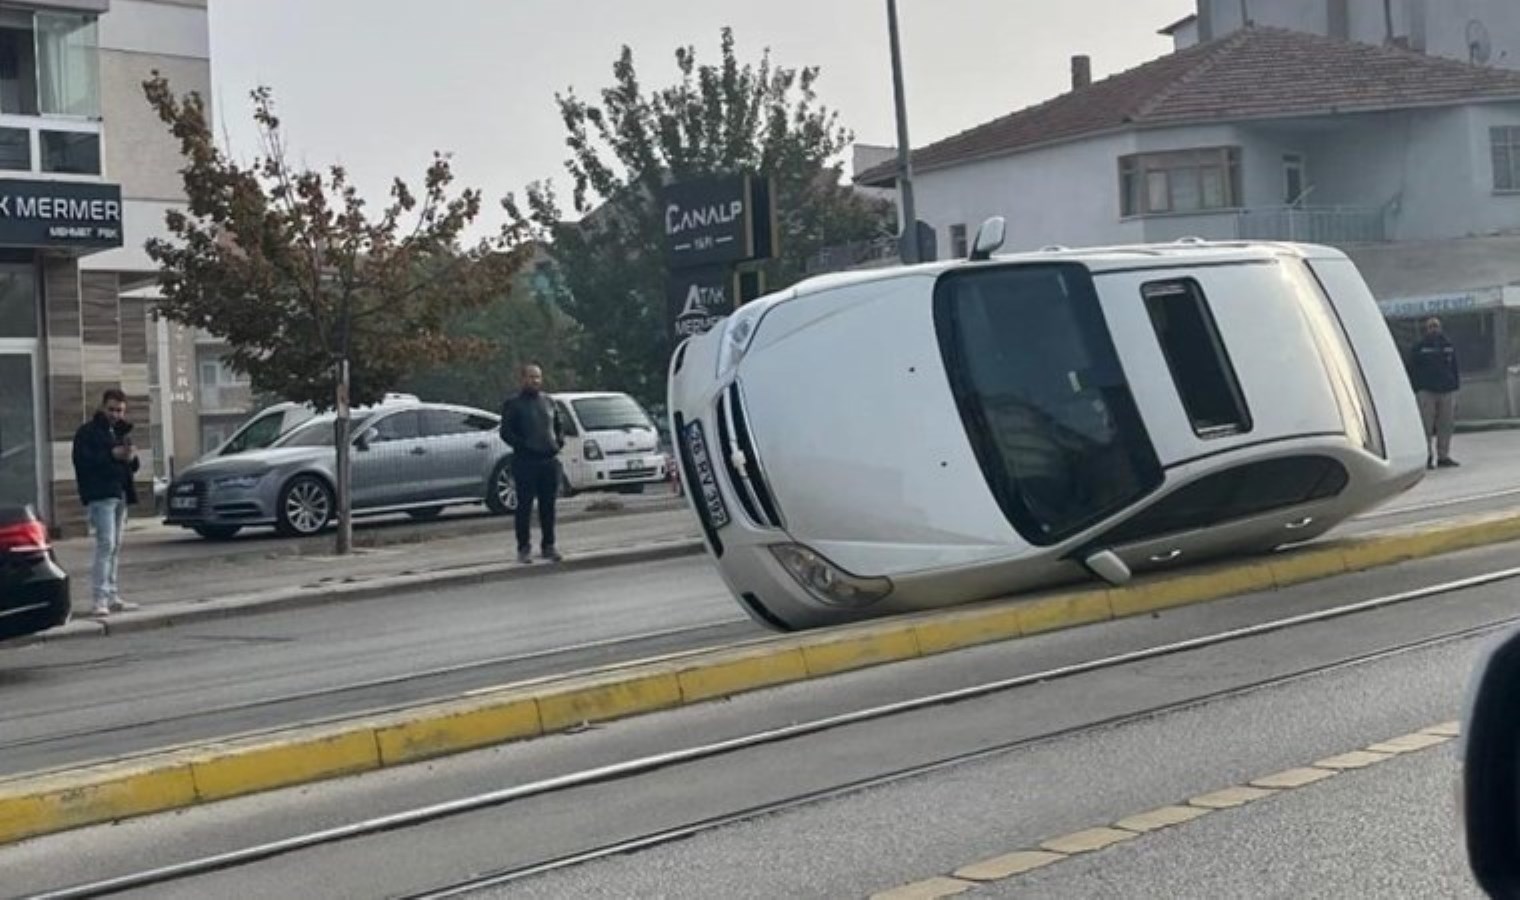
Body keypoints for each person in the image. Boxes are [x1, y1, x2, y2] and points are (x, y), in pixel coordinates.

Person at [72, 389, 141, 617]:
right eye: (111, 409)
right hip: (100, 495)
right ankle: (99, 599)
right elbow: (84, 462)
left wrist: (131, 457)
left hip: (119, 493)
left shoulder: (121, 432)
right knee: (106, 545)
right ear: (102, 407)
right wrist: (114, 455)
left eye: (119, 410)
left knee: (115, 547)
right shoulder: (88, 433)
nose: (115, 414)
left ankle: (112, 595)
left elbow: (131, 465)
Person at [499, 364, 565, 564]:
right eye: (530, 377)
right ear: (522, 379)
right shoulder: (514, 404)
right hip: (525, 461)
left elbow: (559, 426)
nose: (534, 381)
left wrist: (558, 443)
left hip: (548, 460)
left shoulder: (549, 402)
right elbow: (506, 432)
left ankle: (549, 545)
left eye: (537, 377)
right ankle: (524, 548)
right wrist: (523, 445)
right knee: (525, 506)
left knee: (548, 506)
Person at [1406, 316, 1461, 470]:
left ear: (1440, 328)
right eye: (1431, 327)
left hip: (1447, 390)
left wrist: (1455, 385)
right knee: (1426, 426)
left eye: (1436, 326)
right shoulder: (1420, 347)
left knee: (1446, 424)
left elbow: (1455, 367)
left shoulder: (1448, 345)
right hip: (1426, 391)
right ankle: (1427, 457)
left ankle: (1443, 456)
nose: (1434, 329)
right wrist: (1417, 388)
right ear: (1426, 329)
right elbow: (1411, 368)